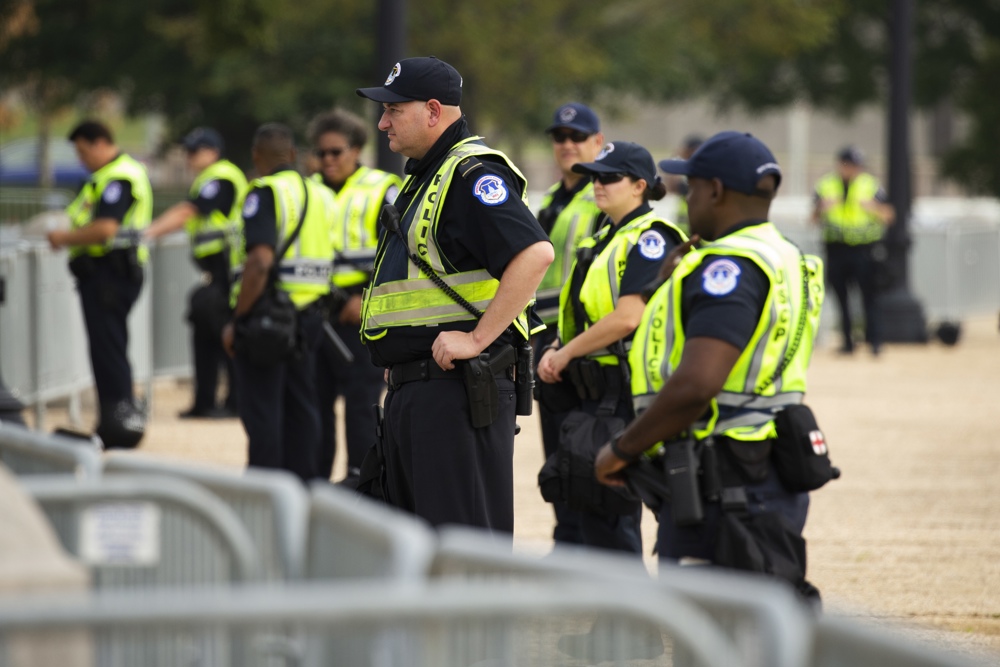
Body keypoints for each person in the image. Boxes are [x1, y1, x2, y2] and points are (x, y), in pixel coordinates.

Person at [594, 132, 824, 585]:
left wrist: (622, 449)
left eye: (692, 187)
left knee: (710, 638)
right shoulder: (783, 254)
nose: (686, 198)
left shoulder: (729, 268)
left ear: (716, 190)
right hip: (764, 466)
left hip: (723, 476)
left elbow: (698, 383)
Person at [356, 56, 553, 532]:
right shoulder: (430, 173)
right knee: (422, 555)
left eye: (393, 110)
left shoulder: (471, 174)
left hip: (454, 392)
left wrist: (478, 339)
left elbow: (534, 254)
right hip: (421, 391)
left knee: (462, 555)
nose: (382, 122)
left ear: (432, 111)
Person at [536, 141, 686, 554]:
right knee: (593, 507)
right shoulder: (607, 236)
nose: (597, 184)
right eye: (594, 176)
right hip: (595, 392)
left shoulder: (651, 238)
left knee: (614, 514)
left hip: (622, 392)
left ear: (640, 185)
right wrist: (558, 343)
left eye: (609, 177)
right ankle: (609, 614)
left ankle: (624, 615)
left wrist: (564, 353)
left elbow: (627, 317)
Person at [221, 123, 336, 482]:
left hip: (270, 319)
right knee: (304, 408)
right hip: (312, 316)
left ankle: (265, 494)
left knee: (263, 412)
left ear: (257, 156)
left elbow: (259, 262)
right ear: (293, 155)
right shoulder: (319, 194)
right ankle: (302, 490)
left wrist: (238, 319)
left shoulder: (265, 191)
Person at [307, 110, 401, 484]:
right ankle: (314, 482)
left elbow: (398, 253)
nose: (328, 160)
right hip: (316, 312)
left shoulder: (382, 188)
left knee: (361, 405)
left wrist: (367, 298)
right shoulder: (307, 190)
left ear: (357, 149)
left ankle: (360, 481)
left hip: (360, 310)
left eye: (336, 152)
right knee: (314, 405)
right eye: (321, 153)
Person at [47, 120, 151, 449]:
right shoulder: (105, 178)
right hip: (105, 274)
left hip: (111, 273)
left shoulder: (118, 178)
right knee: (108, 346)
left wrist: (64, 238)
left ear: (99, 143)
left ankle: (119, 423)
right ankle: (113, 422)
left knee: (109, 348)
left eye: (82, 151)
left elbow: (105, 228)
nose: (81, 159)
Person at [533, 102, 607, 546]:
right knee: (558, 449)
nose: (566, 144)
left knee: (581, 448)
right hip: (547, 339)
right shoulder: (553, 199)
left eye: (577, 136)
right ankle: (567, 542)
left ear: (598, 142)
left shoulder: (600, 195)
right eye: (559, 137)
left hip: (580, 341)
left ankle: (582, 547)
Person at [145, 127, 248, 419]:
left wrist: (149, 233)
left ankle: (233, 403)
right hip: (216, 274)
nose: (189, 155)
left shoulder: (221, 177)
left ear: (213, 152)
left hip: (228, 272)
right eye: (188, 149)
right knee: (205, 331)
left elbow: (188, 212)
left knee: (226, 336)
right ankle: (205, 403)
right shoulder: (208, 179)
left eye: (195, 150)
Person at [812, 146, 894, 355]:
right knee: (841, 297)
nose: (852, 170)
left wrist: (872, 208)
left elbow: (889, 215)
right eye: (848, 165)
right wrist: (822, 208)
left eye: (856, 166)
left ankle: (874, 342)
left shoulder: (870, 185)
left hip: (863, 250)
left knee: (869, 296)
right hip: (836, 248)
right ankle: (848, 342)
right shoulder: (825, 185)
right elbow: (812, 218)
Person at [665, 134, 704, 233]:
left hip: (702, 234)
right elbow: (670, 187)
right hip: (683, 231)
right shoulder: (684, 172)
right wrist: (678, 157)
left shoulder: (705, 175)